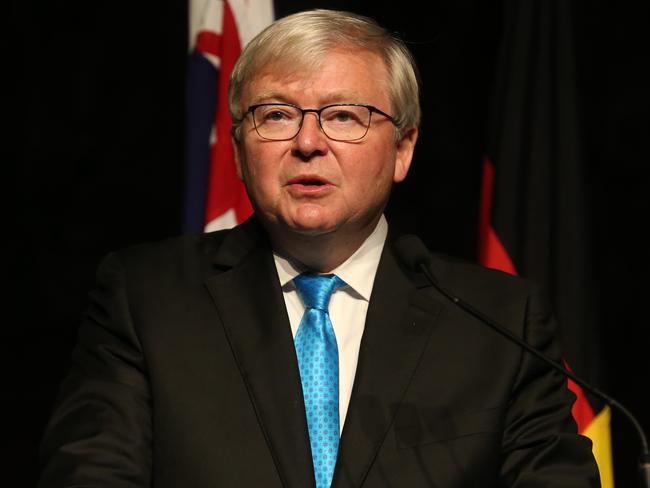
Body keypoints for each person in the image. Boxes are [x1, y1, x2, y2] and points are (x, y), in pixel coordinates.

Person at [38, 9, 600, 488]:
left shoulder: (499, 321)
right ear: (238, 150)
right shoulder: (147, 299)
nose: (308, 143)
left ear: (403, 149)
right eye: (276, 115)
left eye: (344, 116)